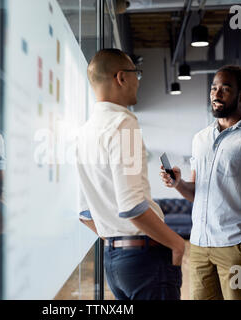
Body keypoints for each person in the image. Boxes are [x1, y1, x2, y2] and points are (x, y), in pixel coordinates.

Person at [160, 65, 241, 300]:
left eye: (225, 89)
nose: (216, 94)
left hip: (235, 247)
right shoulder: (201, 138)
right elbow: (197, 193)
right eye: (214, 88)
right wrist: (178, 183)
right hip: (199, 246)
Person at [76, 48, 185, 300]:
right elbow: (132, 206)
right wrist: (177, 244)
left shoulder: (84, 133)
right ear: (121, 77)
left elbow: (84, 213)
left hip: (115, 263)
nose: (138, 81)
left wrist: (117, 240)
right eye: (137, 73)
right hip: (145, 260)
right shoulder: (124, 123)